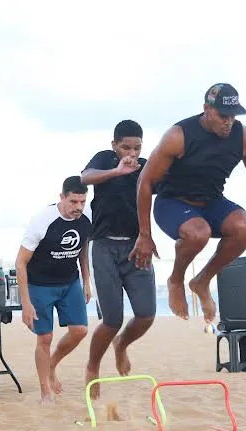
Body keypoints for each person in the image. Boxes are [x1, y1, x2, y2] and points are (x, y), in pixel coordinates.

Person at [131, 83, 246, 323]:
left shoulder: (244, 137)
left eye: (233, 116)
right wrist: (144, 234)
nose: (229, 122)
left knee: (244, 229)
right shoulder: (178, 136)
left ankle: (202, 280)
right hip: (172, 203)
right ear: (207, 109)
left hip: (212, 202)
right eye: (222, 116)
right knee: (198, 233)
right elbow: (144, 182)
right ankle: (176, 279)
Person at [80, 120, 157, 399]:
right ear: (115, 145)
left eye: (137, 148)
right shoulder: (105, 159)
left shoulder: (146, 166)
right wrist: (116, 170)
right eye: (126, 147)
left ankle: (121, 345)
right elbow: (85, 178)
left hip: (136, 247)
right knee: (111, 318)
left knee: (146, 314)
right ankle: (93, 366)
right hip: (103, 247)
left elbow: (168, 187)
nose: (132, 153)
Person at [16, 176, 93, 404]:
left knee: (80, 330)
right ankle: (45, 390)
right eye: (73, 202)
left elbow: (82, 248)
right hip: (40, 285)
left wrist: (87, 281)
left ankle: (52, 365)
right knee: (45, 337)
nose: (78, 207)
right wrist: (26, 303)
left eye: (82, 201)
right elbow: (20, 263)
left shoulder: (86, 217)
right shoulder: (42, 221)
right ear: (62, 198)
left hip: (70, 282)